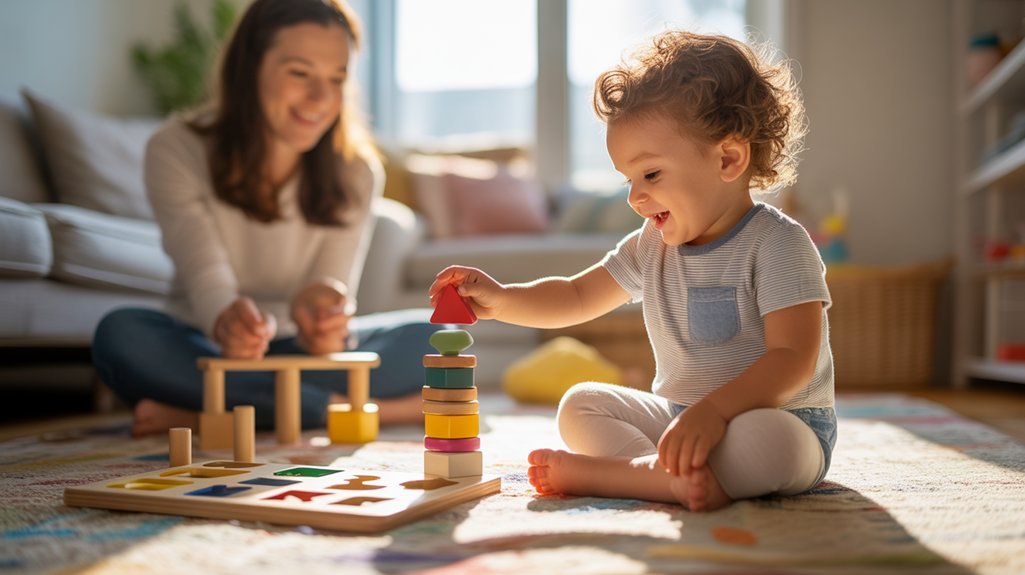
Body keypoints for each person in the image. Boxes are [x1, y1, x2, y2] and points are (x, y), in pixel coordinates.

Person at [429, 30, 834, 512]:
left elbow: (793, 359)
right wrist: (503, 299)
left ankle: (634, 476)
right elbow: (578, 296)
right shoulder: (652, 245)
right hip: (678, 419)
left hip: (777, 417)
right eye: (629, 179)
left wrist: (716, 412)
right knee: (580, 404)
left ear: (728, 158)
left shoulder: (778, 243)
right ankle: (658, 475)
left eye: (652, 175)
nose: (634, 197)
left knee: (771, 444)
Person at [93, 0, 443, 437]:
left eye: (337, 79)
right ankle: (349, 409)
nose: (321, 99)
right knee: (121, 335)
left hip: (298, 354)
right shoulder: (176, 149)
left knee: (437, 337)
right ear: (249, 67)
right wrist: (226, 321)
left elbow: (333, 294)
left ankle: (207, 415)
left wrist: (326, 324)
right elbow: (209, 285)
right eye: (300, 74)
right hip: (207, 343)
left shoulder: (356, 171)